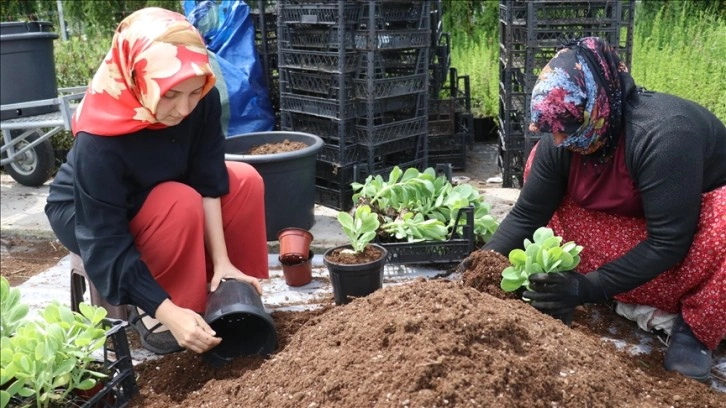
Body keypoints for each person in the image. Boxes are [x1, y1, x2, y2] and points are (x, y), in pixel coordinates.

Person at [464, 37, 726, 381]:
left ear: (597, 107)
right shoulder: (566, 137)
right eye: (551, 131)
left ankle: (695, 331)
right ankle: (615, 289)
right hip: (627, 235)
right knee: (536, 166)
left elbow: (668, 242)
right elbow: (528, 214)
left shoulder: (663, 137)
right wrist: (476, 270)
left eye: (568, 130)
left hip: (689, 244)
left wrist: (586, 288)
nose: (559, 141)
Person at [45, 7, 269, 355]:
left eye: (194, 93)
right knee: (178, 203)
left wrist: (223, 261)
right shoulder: (99, 141)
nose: (183, 109)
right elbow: (105, 241)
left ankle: (230, 291)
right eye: (169, 95)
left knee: (243, 180)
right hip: (90, 214)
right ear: (137, 78)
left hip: (165, 186)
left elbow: (209, 178)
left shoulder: (201, 96)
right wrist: (164, 307)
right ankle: (166, 313)